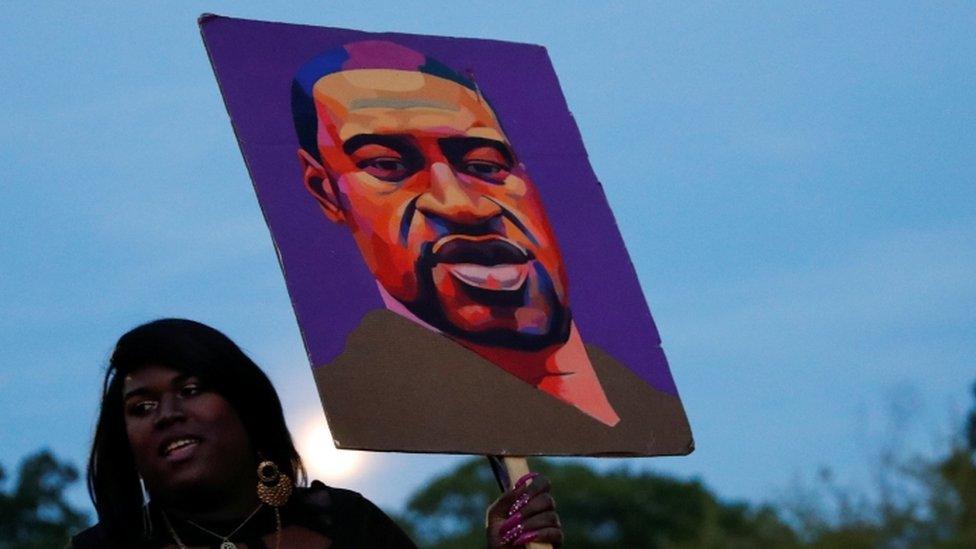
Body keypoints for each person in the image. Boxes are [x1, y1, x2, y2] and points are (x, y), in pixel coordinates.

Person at [290, 41, 693, 456]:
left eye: (485, 166)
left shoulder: (644, 403)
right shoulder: (369, 397)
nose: (460, 205)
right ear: (326, 191)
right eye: (387, 165)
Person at [71, 318, 562, 548]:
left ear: (247, 406)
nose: (167, 414)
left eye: (193, 389)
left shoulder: (348, 526)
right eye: (142, 406)